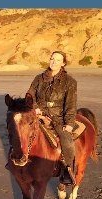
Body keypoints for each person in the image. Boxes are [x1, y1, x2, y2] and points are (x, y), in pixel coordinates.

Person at [25, 51, 79, 185]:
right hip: (38, 114)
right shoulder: (39, 78)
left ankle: (68, 171)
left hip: (58, 118)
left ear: (63, 63)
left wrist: (70, 123)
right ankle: (16, 160)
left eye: (58, 60)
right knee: (20, 131)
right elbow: (29, 95)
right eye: (52, 59)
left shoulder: (70, 82)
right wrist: (35, 108)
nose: (54, 62)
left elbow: (71, 105)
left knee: (67, 141)